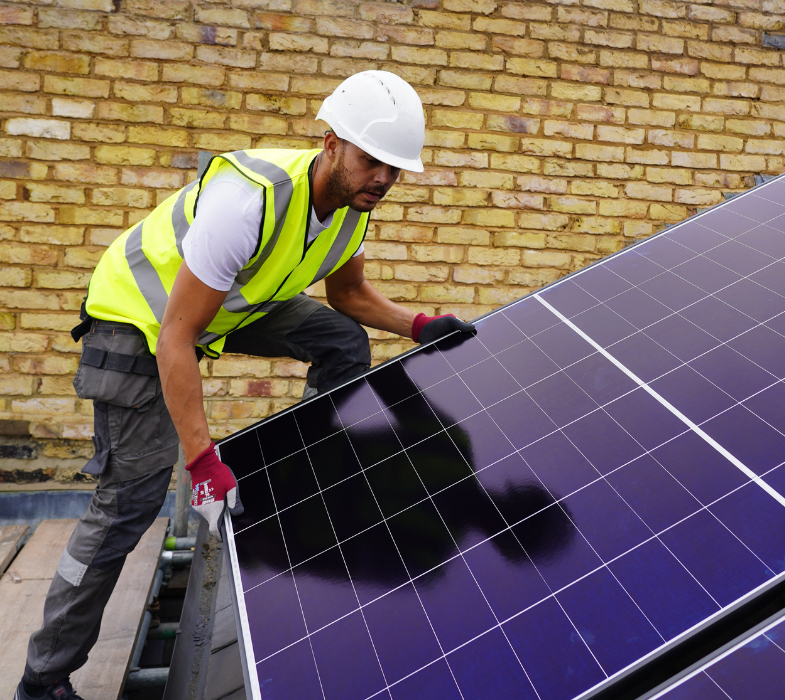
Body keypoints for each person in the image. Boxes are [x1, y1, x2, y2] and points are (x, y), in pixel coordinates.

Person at [15, 70, 474, 700]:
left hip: (219, 309)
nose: (385, 181)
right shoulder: (250, 199)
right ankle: (43, 678)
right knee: (128, 506)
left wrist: (418, 324)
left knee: (341, 341)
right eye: (374, 163)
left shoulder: (348, 212)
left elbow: (347, 295)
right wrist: (203, 463)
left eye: (396, 170)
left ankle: (306, 469)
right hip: (136, 321)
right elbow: (175, 336)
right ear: (332, 143)